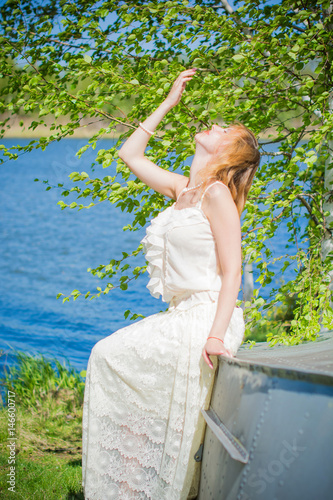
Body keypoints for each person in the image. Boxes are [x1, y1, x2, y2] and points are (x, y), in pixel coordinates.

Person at [82, 68, 260, 500]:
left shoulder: (218, 195)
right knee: (112, 363)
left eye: (224, 130)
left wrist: (216, 335)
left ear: (228, 151)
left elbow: (232, 272)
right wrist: (167, 101)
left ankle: (144, 487)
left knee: (108, 355)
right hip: (184, 313)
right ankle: (128, 486)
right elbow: (131, 155)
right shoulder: (186, 190)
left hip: (208, 317)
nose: (213, 125)